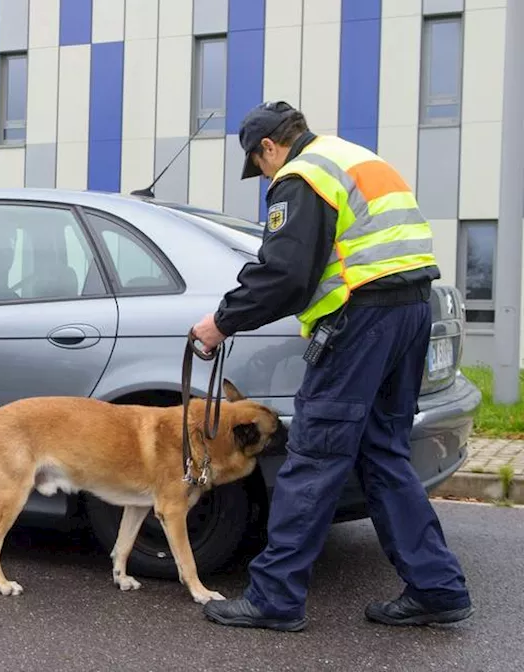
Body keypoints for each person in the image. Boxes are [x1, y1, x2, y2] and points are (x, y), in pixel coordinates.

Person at [190, 101, 473, 631]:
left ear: (268, 147)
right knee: (383, 454)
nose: (265, 175)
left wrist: (221, 322)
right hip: (409, 313)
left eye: (260, 165)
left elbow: (285, 274)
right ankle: (437, 587)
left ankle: (274, 597)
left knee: (315, 454)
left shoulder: (302, 175)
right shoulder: (354, 158)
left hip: (360, 321)